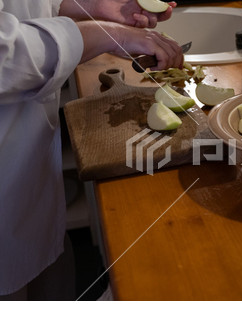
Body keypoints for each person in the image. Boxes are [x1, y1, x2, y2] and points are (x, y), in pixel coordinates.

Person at [0, 0, 183, 300]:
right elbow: (6, 55)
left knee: (50, 276)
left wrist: (90, 7)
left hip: (27, 185)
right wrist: (109, 34)